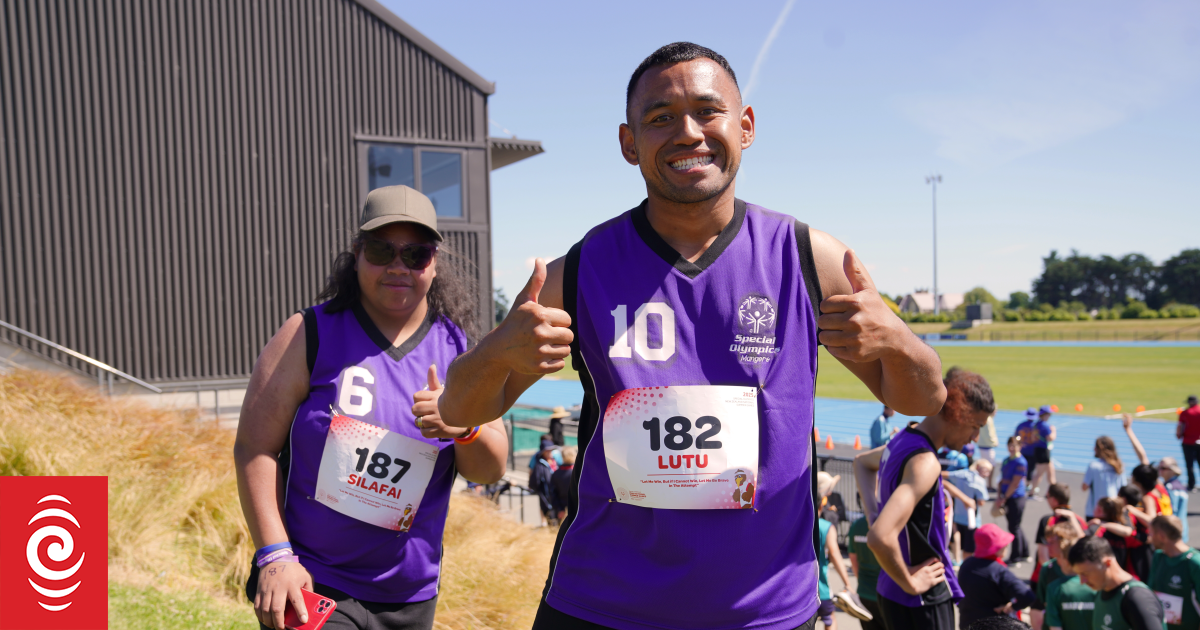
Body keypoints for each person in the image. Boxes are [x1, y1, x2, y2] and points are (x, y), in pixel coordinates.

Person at [438, 42, 950, 629]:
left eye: (708, 111)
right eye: (659, 118)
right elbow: (459, 408)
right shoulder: (580, 270)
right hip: (603, 604)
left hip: (765, 611)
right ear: (630, 144)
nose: (687, 132)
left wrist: (901, 342)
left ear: (746, 125)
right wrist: (500, 350)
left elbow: (922, 399)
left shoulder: (811, 258)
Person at [232, 185, 509, 630]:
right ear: (357, 253)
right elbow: (254, 449)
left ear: (434, 263)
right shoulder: (308, 333)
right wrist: (275, 556)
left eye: (415, 254)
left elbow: (490, 468)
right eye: (382, 250)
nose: (398, 266)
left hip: (409, 596)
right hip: (313, 582)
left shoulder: (460, 351)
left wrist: (461, 426)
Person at [856, 367, 996, 630]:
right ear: (958, 413)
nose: (974, 438)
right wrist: (911, 581)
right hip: (921, 594)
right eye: (976, 426)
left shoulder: (902, 440)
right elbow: (879, 537)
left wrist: (875, 516)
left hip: (890, 588)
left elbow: (861, 463)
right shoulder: (926, 462)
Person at [1068, 535, 1165, 630]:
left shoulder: (1137, 598)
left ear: (1107, 563)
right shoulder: (1101, 592)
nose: (1082, 581)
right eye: (1079, 575)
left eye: (1085, 573)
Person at [957, 523, 1038, 630]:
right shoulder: (998, 571)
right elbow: (1027, 596)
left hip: (967, 623)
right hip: (994, 625)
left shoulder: (966, 565)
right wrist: (1011, 607)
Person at [1034, 518, 1088, 630]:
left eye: (1052, 543)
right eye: (1047, 542)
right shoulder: (1047, 569)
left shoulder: (1083, 568)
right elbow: (1042, 603)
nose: (1047, 546)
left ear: (1065, 542)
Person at [1148, 514, 1200, 630]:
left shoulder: (1194, 563)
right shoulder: (1158, 557)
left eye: (1151, 533)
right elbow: (1151, 593)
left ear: (1161, 536)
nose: (1149, 537)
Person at [817, 472, 855, 630]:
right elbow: (835, 554)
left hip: (797, 589)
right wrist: (847, 583)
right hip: (821, 589)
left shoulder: (797, 522)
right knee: (830, 619)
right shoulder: (826, 527)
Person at [1091, 493, 1152, 581]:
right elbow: (1144, 539)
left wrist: (1102, 524)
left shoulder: (1098, 529)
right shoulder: (1124, 532)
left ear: (1100, 510)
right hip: (1121, 577)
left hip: (1100, 576)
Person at [1125, 414, 1173, 521]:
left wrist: (1132, 510)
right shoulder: (1159, 487)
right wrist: (1128, 430)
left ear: (1137, 481)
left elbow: (1151, 520)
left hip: (1159, 536)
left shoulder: (1148, 498)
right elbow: (1143, 457)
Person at [1043, 534, 1096, 630]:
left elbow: (1055, 627)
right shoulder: (1096, 586)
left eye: (1060, 557)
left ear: (1067, 561)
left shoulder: (1055, 588)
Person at [947, 459, 992, 562]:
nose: (987, 474)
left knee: (956, 537)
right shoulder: (980, 481)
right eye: (985, 470)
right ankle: (964, 565)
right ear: (978, 468)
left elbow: (944, 475)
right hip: (972, 519)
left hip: (957, 515)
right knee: (969, 547)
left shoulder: (961, 474)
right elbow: (981, 502)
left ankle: (957, 559)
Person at [847, 513, 887, 630]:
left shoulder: (856, 525)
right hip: (885, 595)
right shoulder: (887, 524)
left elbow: (853, 560)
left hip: (864, 593)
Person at [999, 435, 1031, 564]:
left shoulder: (1020, 462)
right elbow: (1002, 479)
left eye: (1015, 445)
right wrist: (1000, 494)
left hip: (1016, 497)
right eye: (1010, 445)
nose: (1012, 448)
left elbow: (1015, 483)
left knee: (1014, 527)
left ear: (1019, 446)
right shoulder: (1007, 460)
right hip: (1007, 496)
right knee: (1015, 526)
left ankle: (1015, 556)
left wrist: (1004, 497)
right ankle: (1025, 552)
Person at [1084, 436, 1127, 519]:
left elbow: (1084, 487)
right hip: (1113, 509)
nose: (1093, 448)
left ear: (1100, 449)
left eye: (1095, 446)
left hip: (1095, 510)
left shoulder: (1094, 466)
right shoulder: (1119, 465)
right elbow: (1123, 488)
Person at [1155, 458, 1189, 542]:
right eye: (1158, 468)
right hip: (1182, 526)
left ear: (1173, 470)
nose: (1160, 470)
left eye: (1163, 468)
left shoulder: (1170, 488)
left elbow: (1171, 510)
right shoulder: (1179, 485)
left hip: (1172, 529)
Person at [530, 438, 559, 525]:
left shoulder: (554, 462)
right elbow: (534, 482)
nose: (550, 452)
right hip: (547, 497)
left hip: (556, 496)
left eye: (551, 450)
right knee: (551, 520)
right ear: (543, 452)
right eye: (548, 451)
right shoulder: (539, 465)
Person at [1176, 396, 1200, 491]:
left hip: (1188, 442)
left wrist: (1179, 435)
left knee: (1189, 464)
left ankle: (1191, 485)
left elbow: (1180, 426)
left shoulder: (1185, 413)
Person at [551, 445, 577, 522]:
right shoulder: (578, 473)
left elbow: (553, 494)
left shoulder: (556, 473)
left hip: (562, 509)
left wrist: (560, 509)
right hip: (578, 509)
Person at [978, 414, 1000, 491]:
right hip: (987, 445)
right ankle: (988, 485)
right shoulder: (988, 419)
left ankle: (985, 484)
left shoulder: (984, 417)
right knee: (988, 467)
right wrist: (995, 442)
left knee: (986, 466)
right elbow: (989, 433)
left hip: (983, 444)